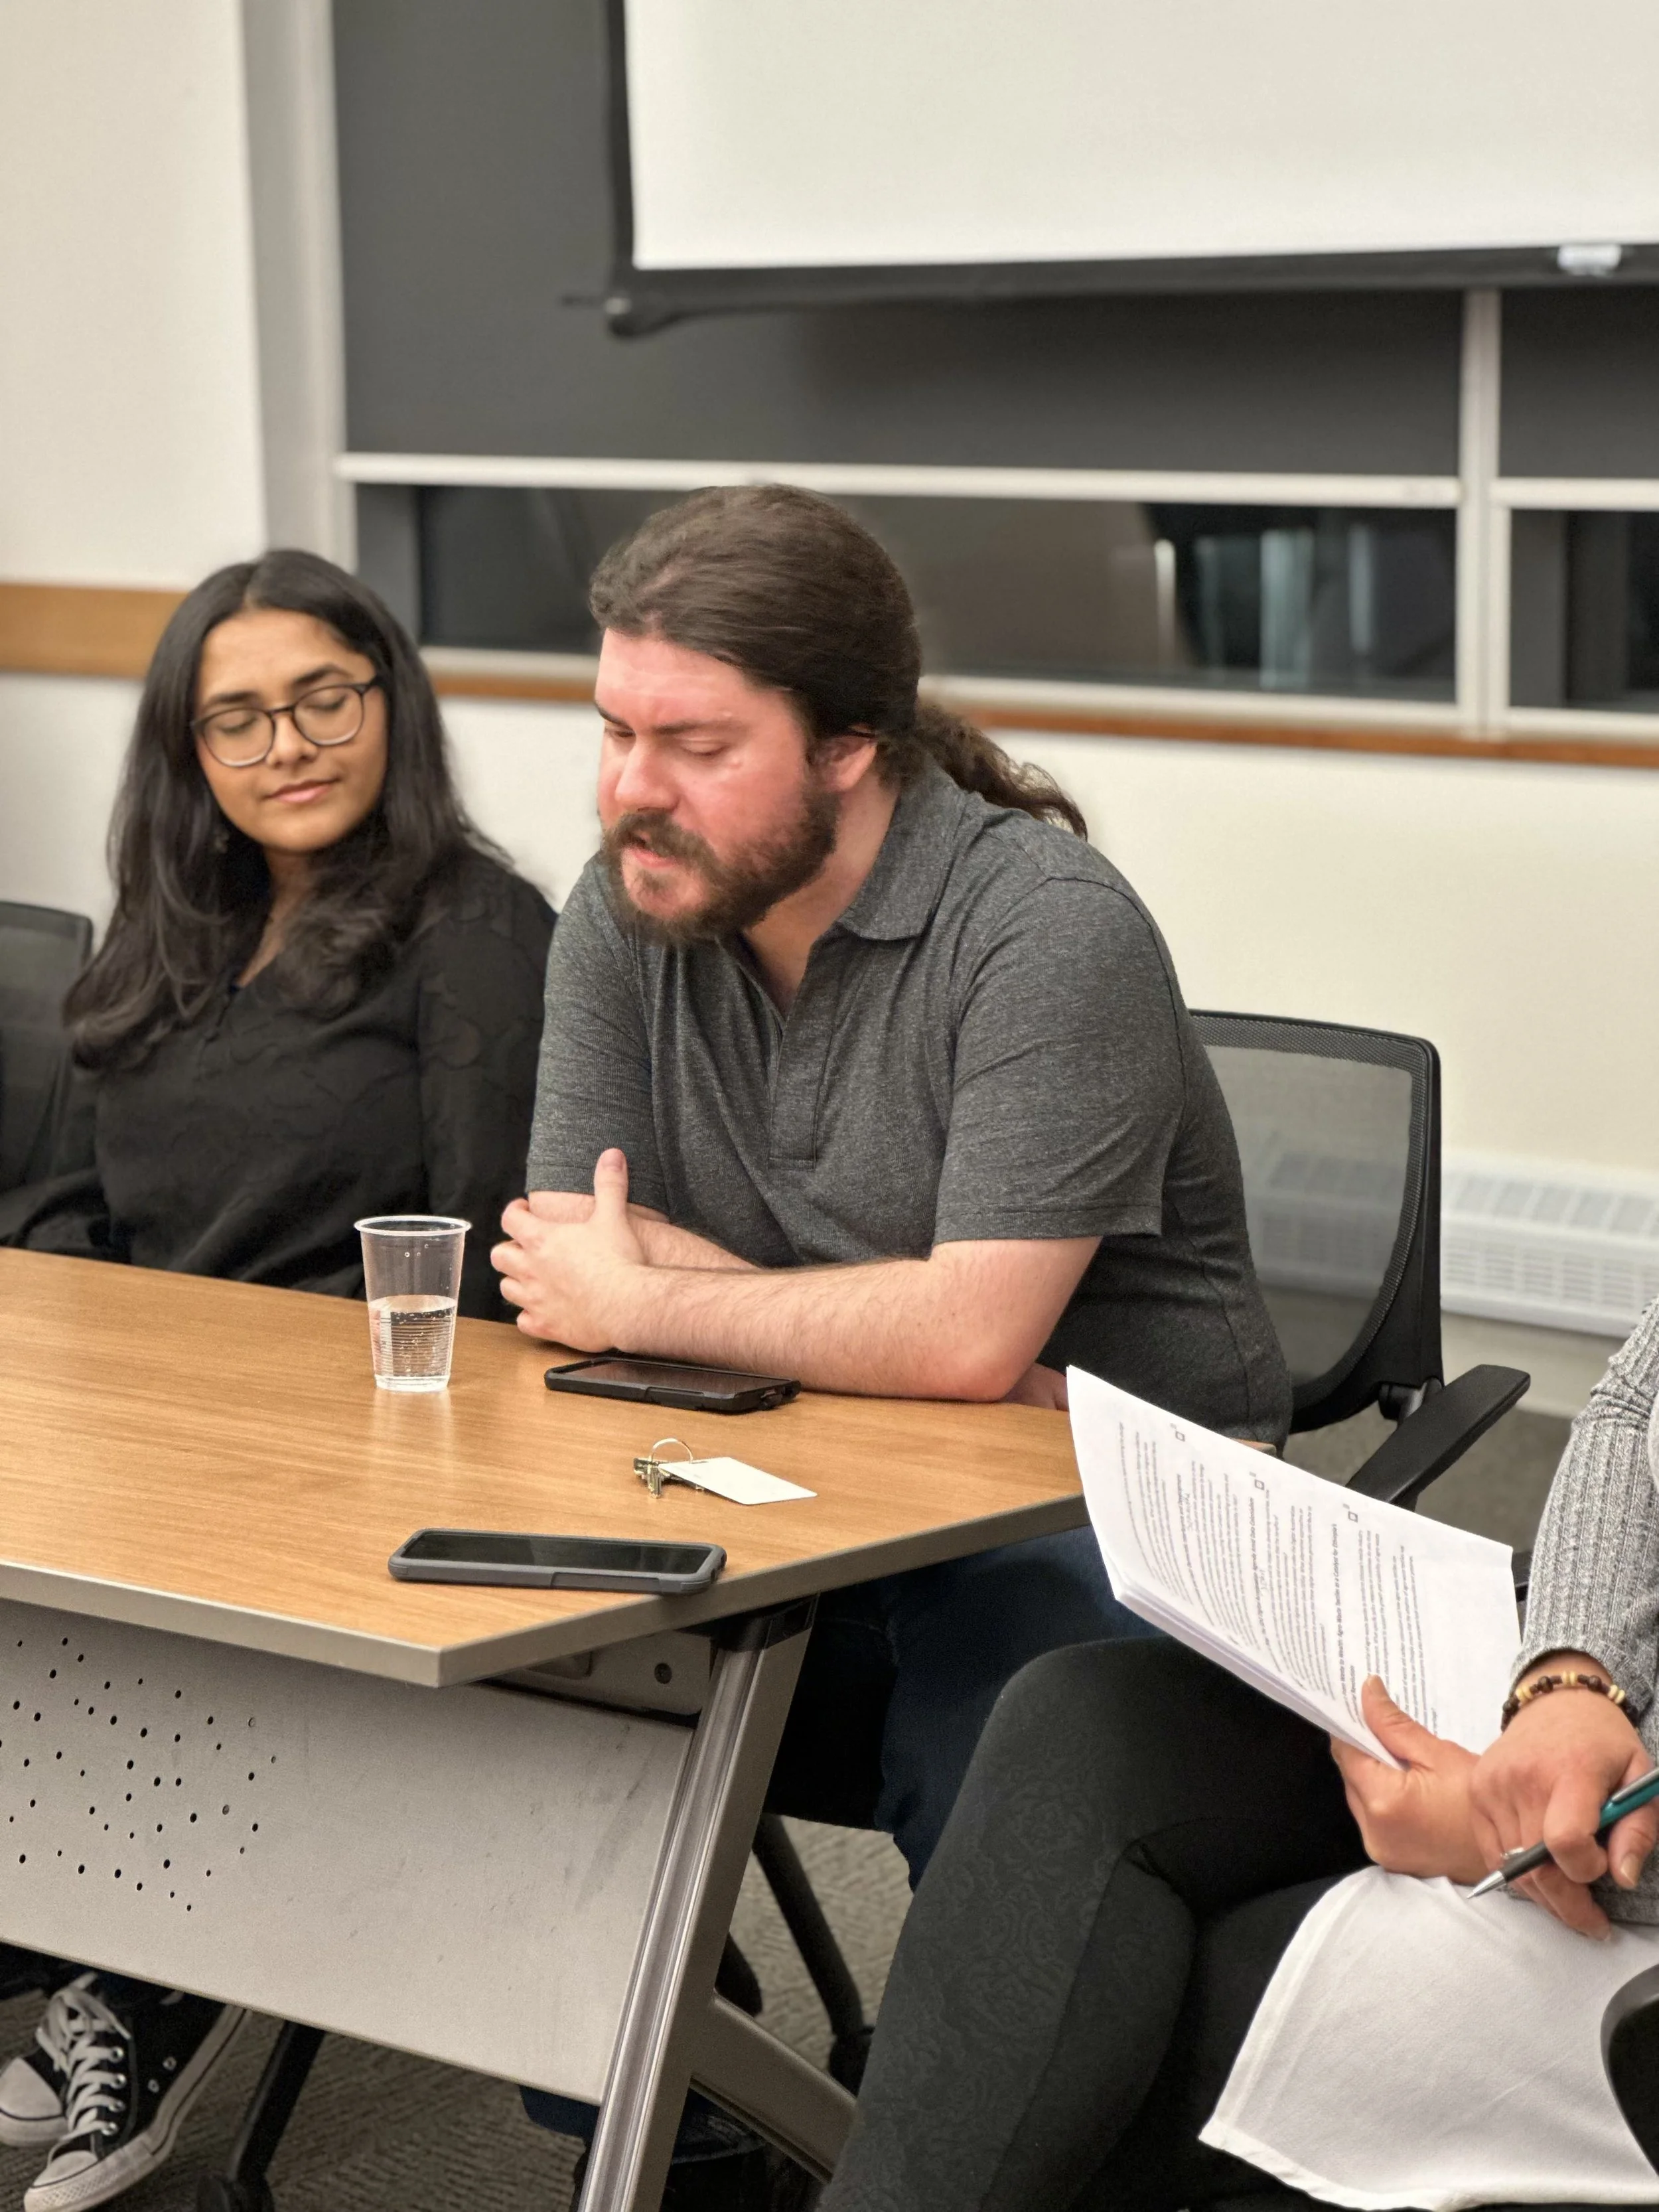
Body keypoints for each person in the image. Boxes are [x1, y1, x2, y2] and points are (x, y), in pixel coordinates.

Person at [491, 484, 1290, 2206]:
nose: (629, 787)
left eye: (696, 743)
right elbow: (564, 1256)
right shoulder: (630, 903)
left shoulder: (1044, 926)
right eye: (616, 730)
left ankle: (986, 2149)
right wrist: (865, 1323)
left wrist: (673, 1297)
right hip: (802, 1481)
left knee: (995, 1701)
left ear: (850, 745)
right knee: (512, 1649)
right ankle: (688, 2140)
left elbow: (964, 1337)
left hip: (1103, 1526)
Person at [0, 549, 553, 2212]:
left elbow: (484, 1254)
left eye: (323, 697)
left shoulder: (475, 929)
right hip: (146, 1416)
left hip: (348, 1446)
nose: (286, 744)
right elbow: (72, 1198)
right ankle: (84, 1941)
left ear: (391, 700)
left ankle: (146, 1984)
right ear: (189, 751)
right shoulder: (178, 928)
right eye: (235, 717)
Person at [814, 1301, 1659, 2212]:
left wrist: (1506, 1832)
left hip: (1620, 1915)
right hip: (1595, 1729)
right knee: (1095, 1723)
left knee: (1087, 2029)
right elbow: (1631, 1407)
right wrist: (1572, 1674)